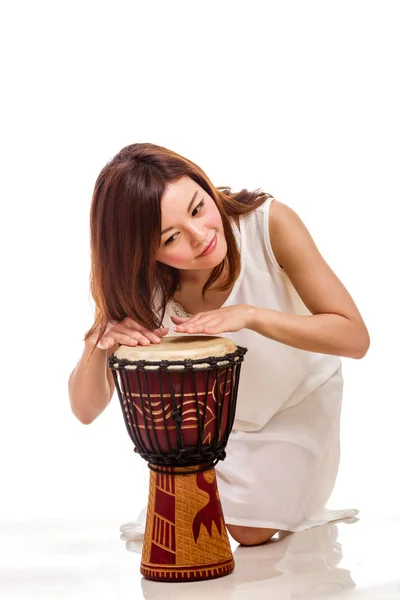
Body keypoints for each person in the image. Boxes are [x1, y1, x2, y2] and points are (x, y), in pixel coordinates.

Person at [68, 142, 370, 547]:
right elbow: (85, 410)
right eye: (172, 237)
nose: (200, 237)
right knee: (182, 531)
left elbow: (354, 337)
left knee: (249, 531)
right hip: (213, 430)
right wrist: (98, 343)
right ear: (144, 252)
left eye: (198, 208)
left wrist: (251, 315)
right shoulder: (141, 283)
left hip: (297, 403)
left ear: (204, 184)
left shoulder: (268, 224)